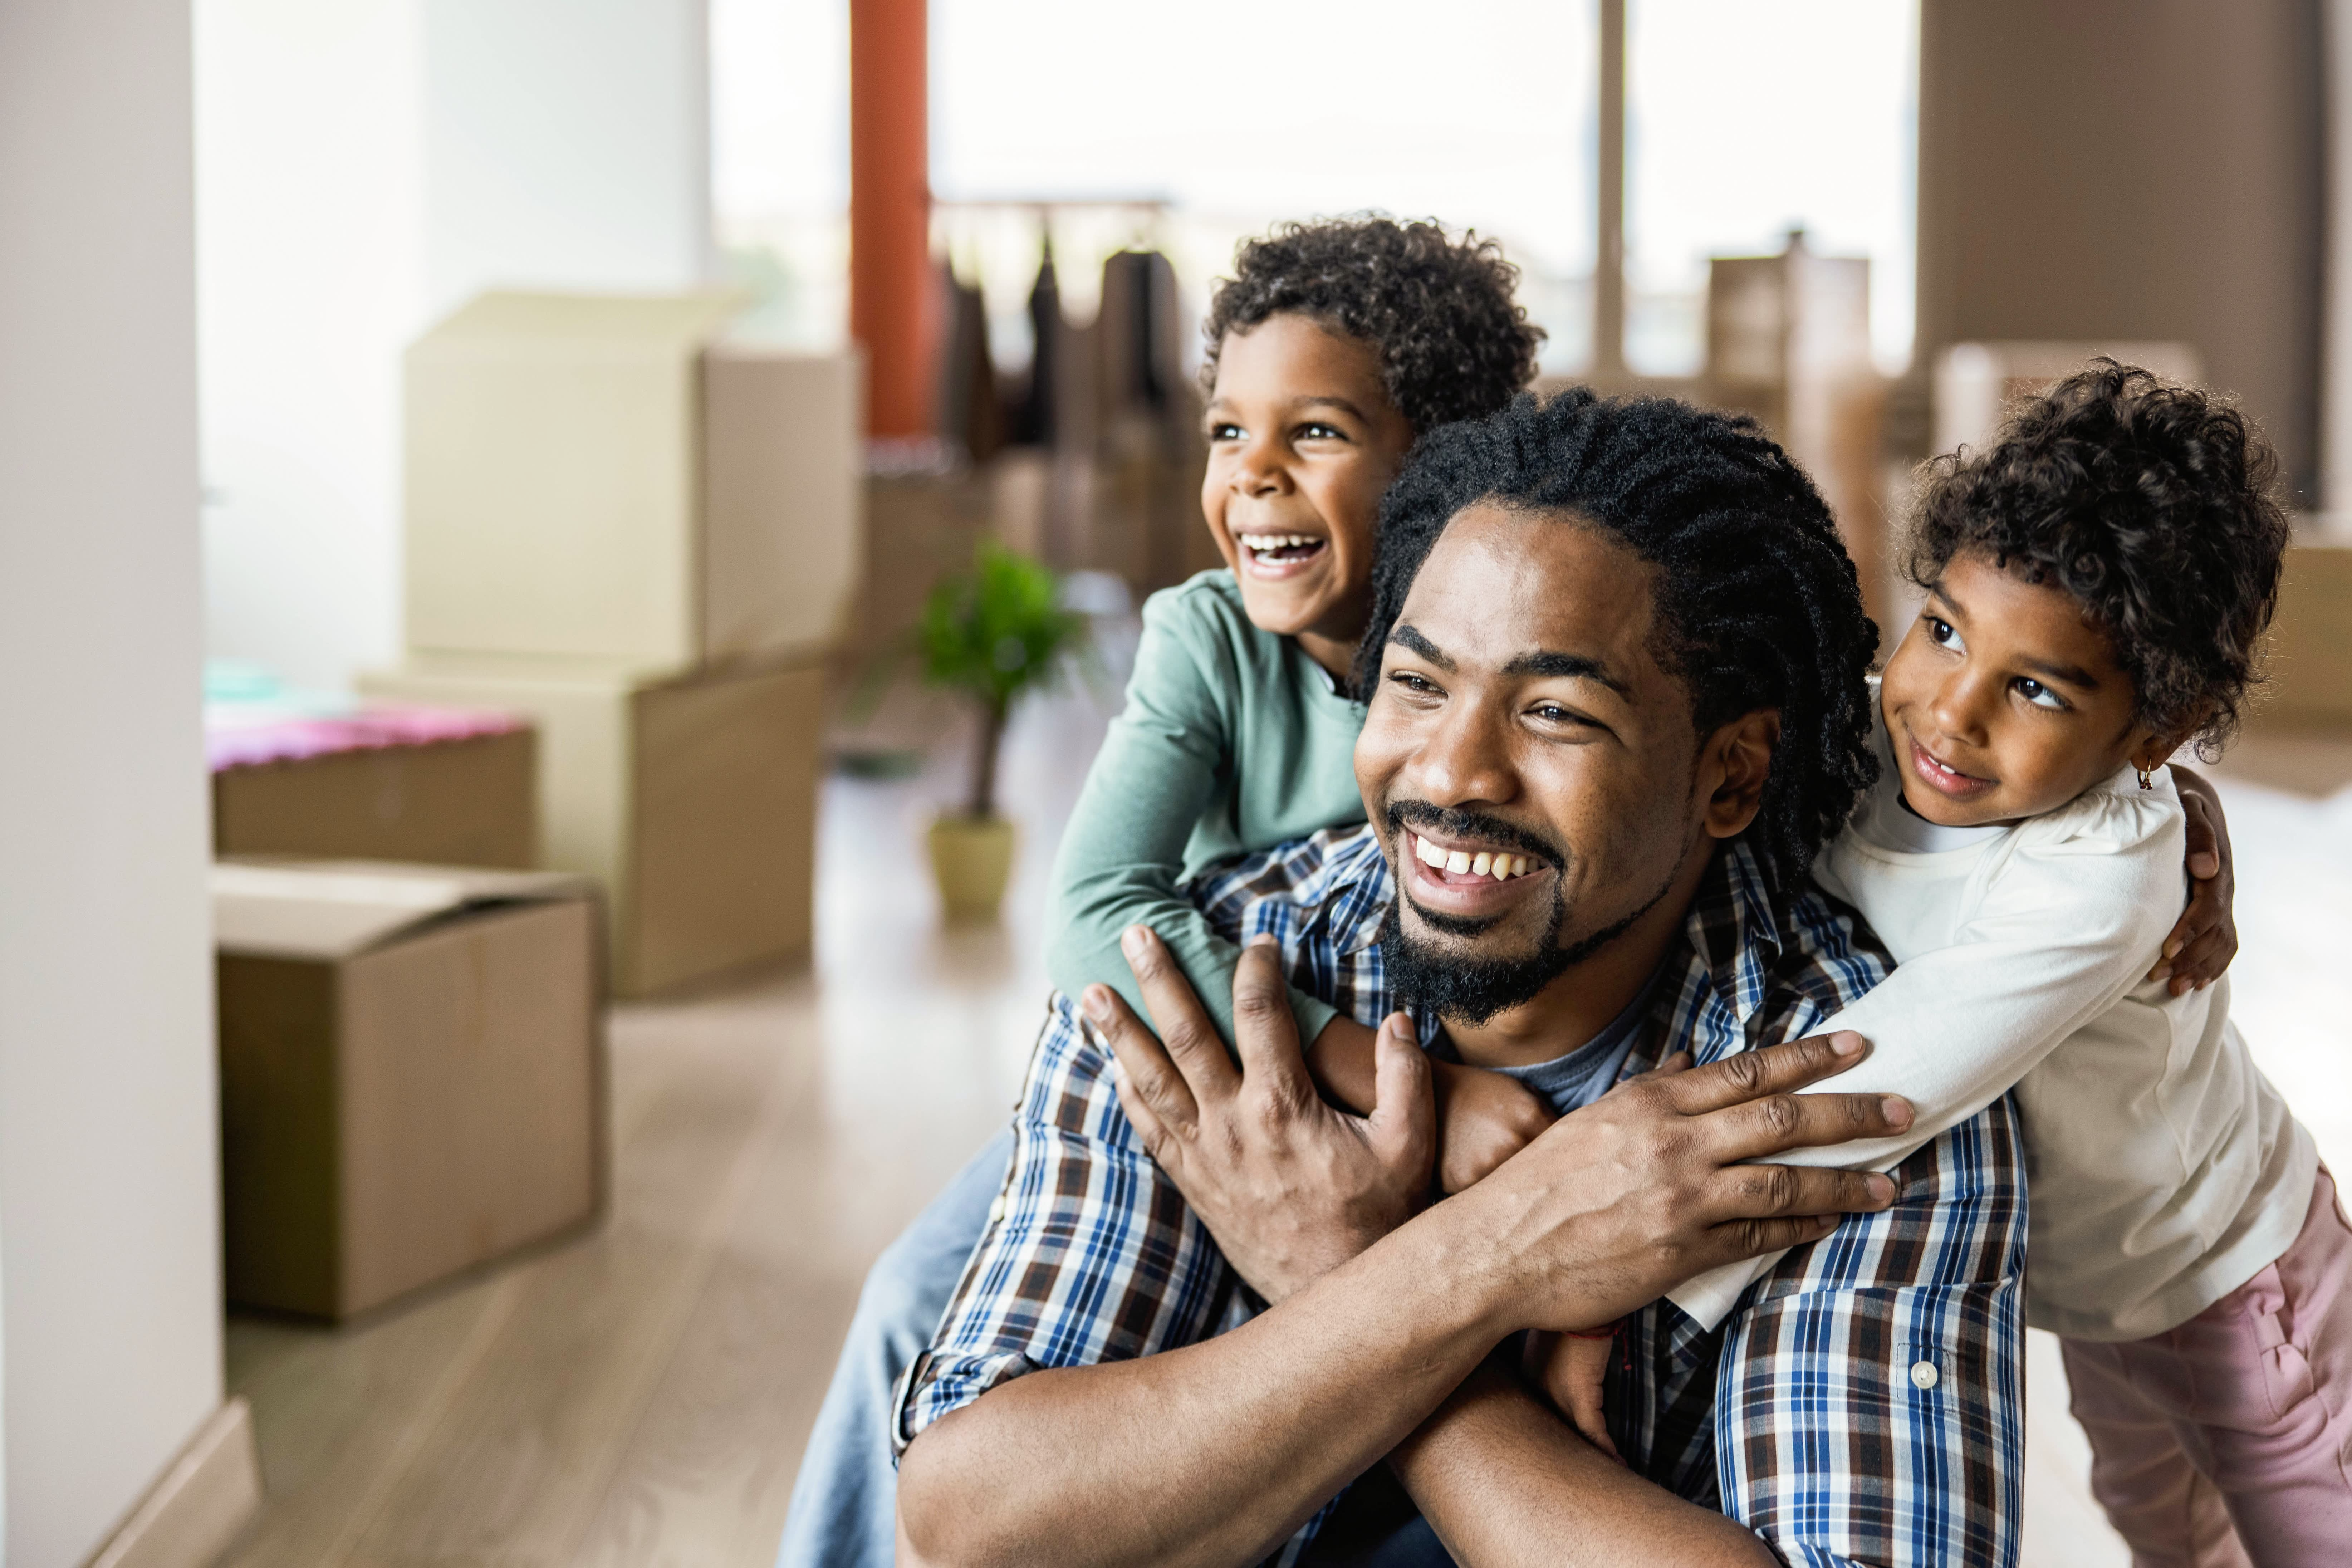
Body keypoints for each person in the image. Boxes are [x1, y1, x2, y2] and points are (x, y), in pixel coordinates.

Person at [895, 389, 2029, 1566]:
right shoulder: (1223, 979)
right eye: (1417, 684)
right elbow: (979, 1524)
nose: (1450, 770)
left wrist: (1354, 1284)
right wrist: (1486, 1262)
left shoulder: (1865, 1072)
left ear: (1730, 778)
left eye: (1554, 713)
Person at [774, 217, 1547, 1568]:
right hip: (1211, 1077)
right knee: (912, 1299)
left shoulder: (1499, 666)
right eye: (1225, 432)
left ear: (1444, 461)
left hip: (1443, 1123)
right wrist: (1367, 1067)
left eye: (1313, 433)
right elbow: (1095, 908)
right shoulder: (1206, 641)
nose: (1252, 476)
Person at [1543, 362, 2346, 1565]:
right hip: (2097, 1301)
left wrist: (1636, 1287)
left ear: (2153, 736)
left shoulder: (2109, 873)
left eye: (2032, 688)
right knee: (2165, 1527)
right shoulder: (1875, 731)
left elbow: (1874, 1086)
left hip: (2239, 1279)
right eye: (1942, 630)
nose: (1948, 714)